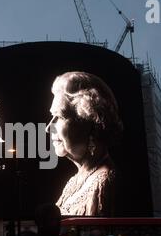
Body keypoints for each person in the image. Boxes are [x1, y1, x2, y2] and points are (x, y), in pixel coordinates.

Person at [46, 71, 123, 216]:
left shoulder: (104, 182)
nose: (49, 127)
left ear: (90, 123)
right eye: (52, 116)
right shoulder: (74, 181)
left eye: (60, 117)